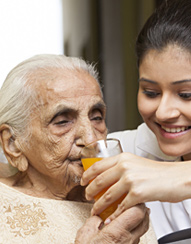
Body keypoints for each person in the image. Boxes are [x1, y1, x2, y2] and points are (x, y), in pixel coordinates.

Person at [80, 0, 191, 241]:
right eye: (150, 92)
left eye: (186, 94)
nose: (163, 112)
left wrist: (179, 177)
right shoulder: (121, 151)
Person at [0, 54, 157, 243]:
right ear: (13, 143)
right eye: (62, 121)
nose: (91, 138)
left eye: (97, 117)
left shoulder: (121, 198)